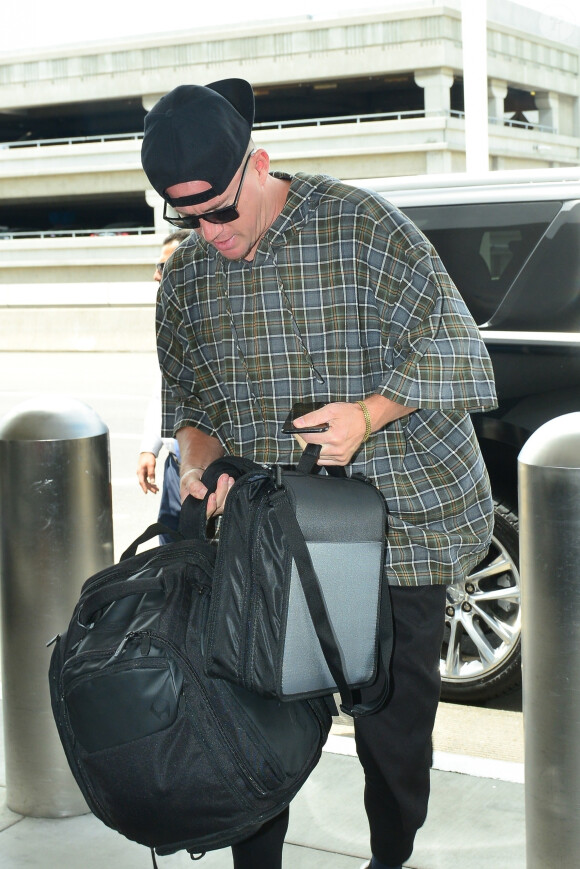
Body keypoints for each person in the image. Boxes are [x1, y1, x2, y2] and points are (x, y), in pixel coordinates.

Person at [141, 79, 498, 869]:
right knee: (255, 715)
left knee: (394, 730)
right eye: (184, 216)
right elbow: (192, 406)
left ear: (258, 164)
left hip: (396, 521)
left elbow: (455, 344)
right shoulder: (190, 281)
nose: (207, 231)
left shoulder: (364, 227)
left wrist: (368, 414)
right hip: (275, 536)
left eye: (220, 210)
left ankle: (389, 856)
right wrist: (201, 465)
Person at [136, 229, 189, 543]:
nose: (156, 276)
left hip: (208, 468)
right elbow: (164, 389)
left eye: (163, 267)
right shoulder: (169, 319)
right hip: (176, 465)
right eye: (157, 267)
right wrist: (150, 447)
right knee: (170, 549)